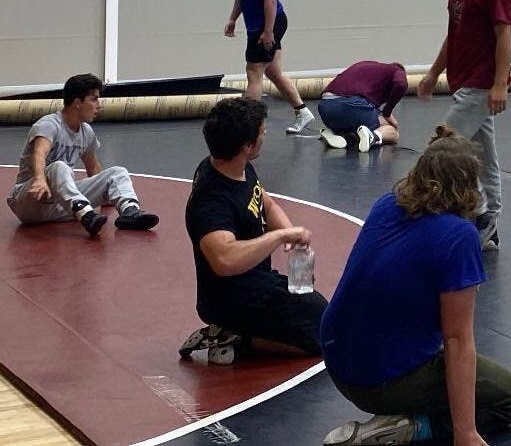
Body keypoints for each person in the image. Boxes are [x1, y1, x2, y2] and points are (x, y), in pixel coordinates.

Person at [320, 125, 511, 446]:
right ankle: (407, 428)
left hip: (336, 359)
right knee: (508, 396)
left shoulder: (387, 205)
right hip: (377, 383)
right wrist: (465, 432)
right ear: (468, 186)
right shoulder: (459, 236)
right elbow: (457, 339)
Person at [179, 97, 327, 365]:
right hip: (231, 300)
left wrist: (290, 233)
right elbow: (224, 259)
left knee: (320, 313)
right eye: (262, 132)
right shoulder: (212, 200)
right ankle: (232, 337)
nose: (265, 134)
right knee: (321, 338)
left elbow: (264, 202)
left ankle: (236, 333)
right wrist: (278, 237)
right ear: (247, 146)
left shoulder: (236, 165)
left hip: (255, 282)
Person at [417, 0, 511, 250]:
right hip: (463, 81)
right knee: (483, 155)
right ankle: (489, 221)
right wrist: (433, 73)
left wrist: (500, 83)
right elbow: (454, 34)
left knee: (439, 150)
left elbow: (504, 34)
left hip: (480, 84)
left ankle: (480, 215)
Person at [6, 74, 159, 237]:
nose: (98, 106)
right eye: (93, 100)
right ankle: (84, 213)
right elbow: (39, 153)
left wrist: (106, 191)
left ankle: (129, 212)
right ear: (77, 103)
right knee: (60, 167)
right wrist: (39, 179)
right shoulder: (49, 125)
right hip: (30, 201)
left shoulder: (86, 132)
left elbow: (93, 167)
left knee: (117, 172)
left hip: (60, 205)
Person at [224, 0, 316, 135]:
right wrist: (232, 18)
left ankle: (249, 126)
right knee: (273, 71)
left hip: (268, 23)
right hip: (258, 24)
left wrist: (268, 31)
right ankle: (302, 111)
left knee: (253, 72)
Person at [316, 60, 407, 152]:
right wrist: (387, 112)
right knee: (392, 130)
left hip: (325, 109)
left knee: (357, 123)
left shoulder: (369, 67)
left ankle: (337, 134)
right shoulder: (396, 70)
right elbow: (401, 84)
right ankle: (373, 137)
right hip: (350, 105)